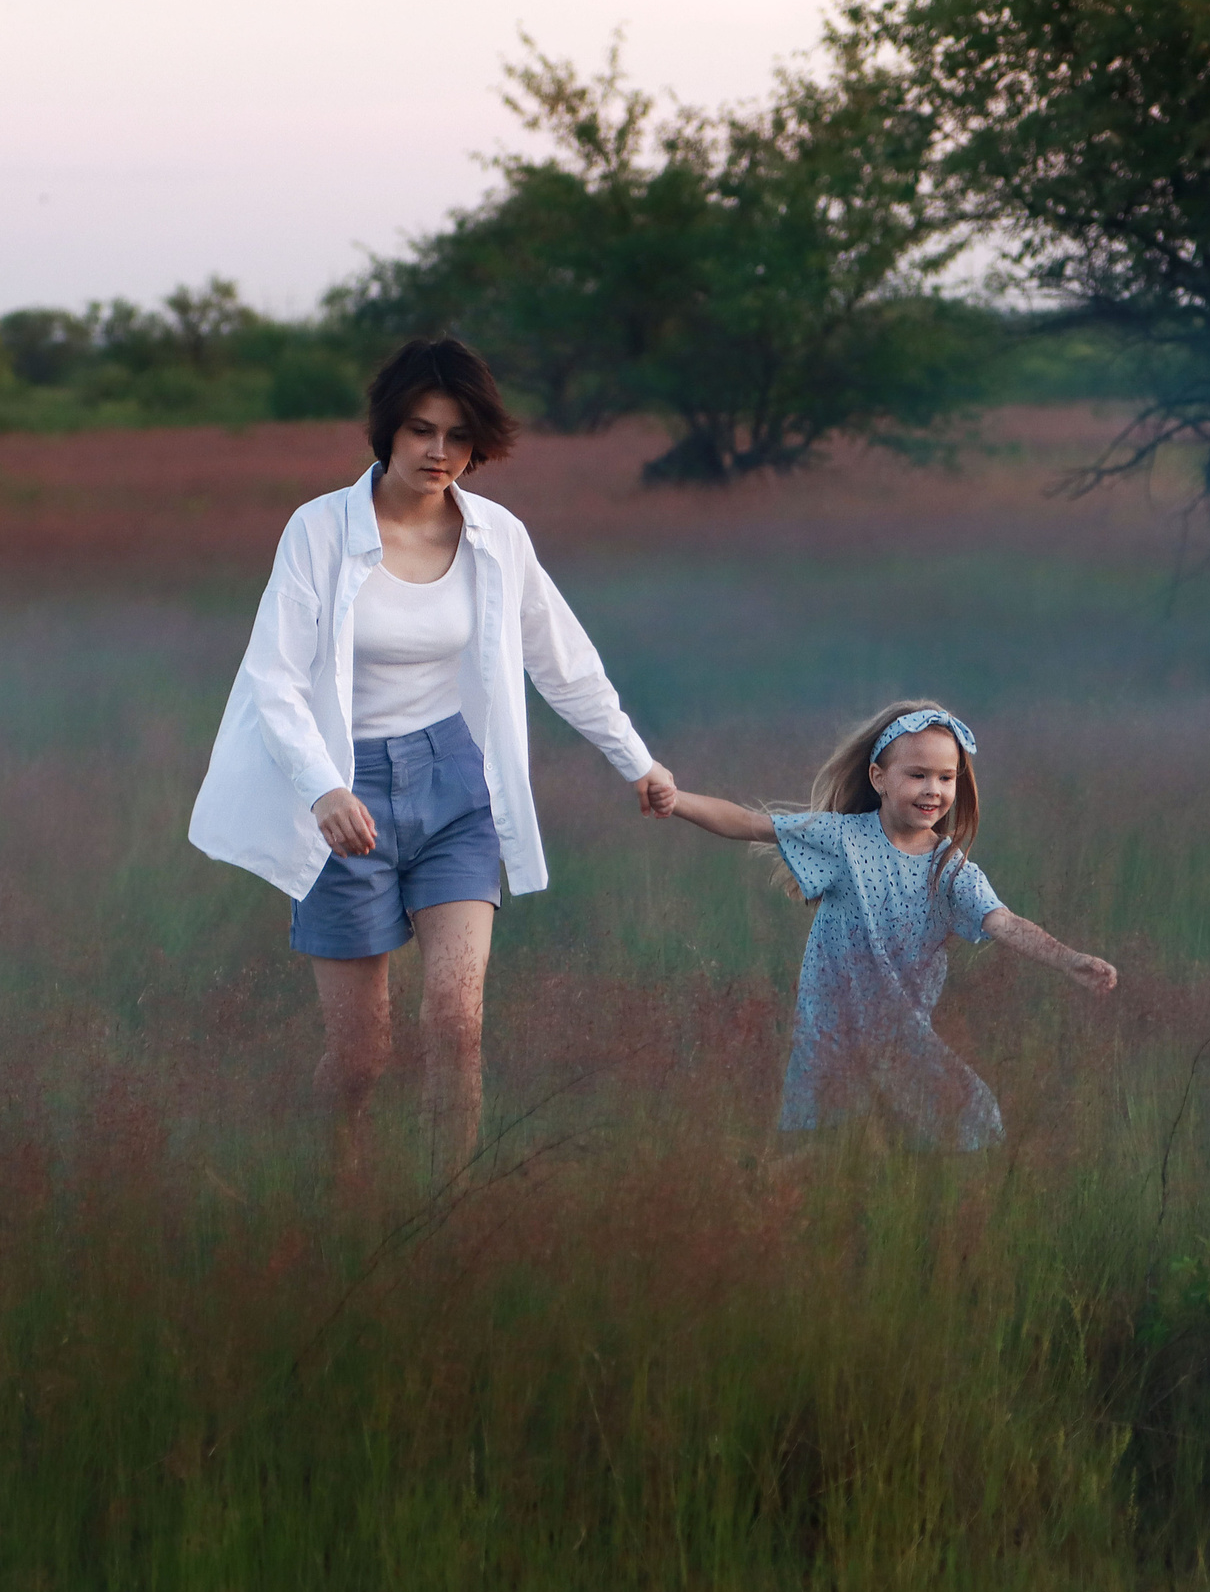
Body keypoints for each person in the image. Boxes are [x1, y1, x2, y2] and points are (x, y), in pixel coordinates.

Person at [189, 337, 676, 1173]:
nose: (439, 452)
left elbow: (560, 657)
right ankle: (337, 1186)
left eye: (458, 435)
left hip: (456, 787)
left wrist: (637, 760)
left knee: (456, 1024)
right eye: (421, 430)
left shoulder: (498, 536)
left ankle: (446, 1211)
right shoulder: (319, 531)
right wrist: (324, 789)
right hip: (347, 798)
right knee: (361, 1057)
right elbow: (273, 680)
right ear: (388, 432)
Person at [661, 700, 1116, 1150]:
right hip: (830, 1027)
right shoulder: (842, 838)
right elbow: (748, 824)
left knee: (967, 1118)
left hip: (901, 1031)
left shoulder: (951, 871)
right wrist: (674, 799)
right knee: (823, 1143)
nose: (932, 789)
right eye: (917, 775)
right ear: (879, 778)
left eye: (945, 777)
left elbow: (1001, 920)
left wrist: (1069, 959)